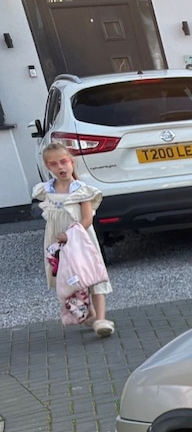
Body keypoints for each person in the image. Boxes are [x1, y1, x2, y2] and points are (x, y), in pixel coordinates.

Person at [34, 141, 114, 337]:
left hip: (80, 241)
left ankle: (101, 319)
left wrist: (70, 235)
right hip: (58, 242)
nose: (61, 167)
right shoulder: (47, 191)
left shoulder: (81, 190)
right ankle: (89, 314)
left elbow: (87, 218)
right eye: (54, 164)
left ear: (72, 162)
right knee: (67, 277)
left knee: (91, 274)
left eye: (64, 162)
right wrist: (59, 240)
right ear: (48, 167)